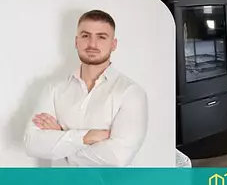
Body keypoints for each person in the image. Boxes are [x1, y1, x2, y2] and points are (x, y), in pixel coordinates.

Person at [23, 9, 148, 167]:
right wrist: (87, 137)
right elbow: (31, 144)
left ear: (113, 44)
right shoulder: (54, 89)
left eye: (101, 37)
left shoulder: (131, 92)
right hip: (62, 183)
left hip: (110, 184)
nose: (92, 44)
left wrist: (62, 138)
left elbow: (118, 157)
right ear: (76, 41)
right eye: (85, 36)